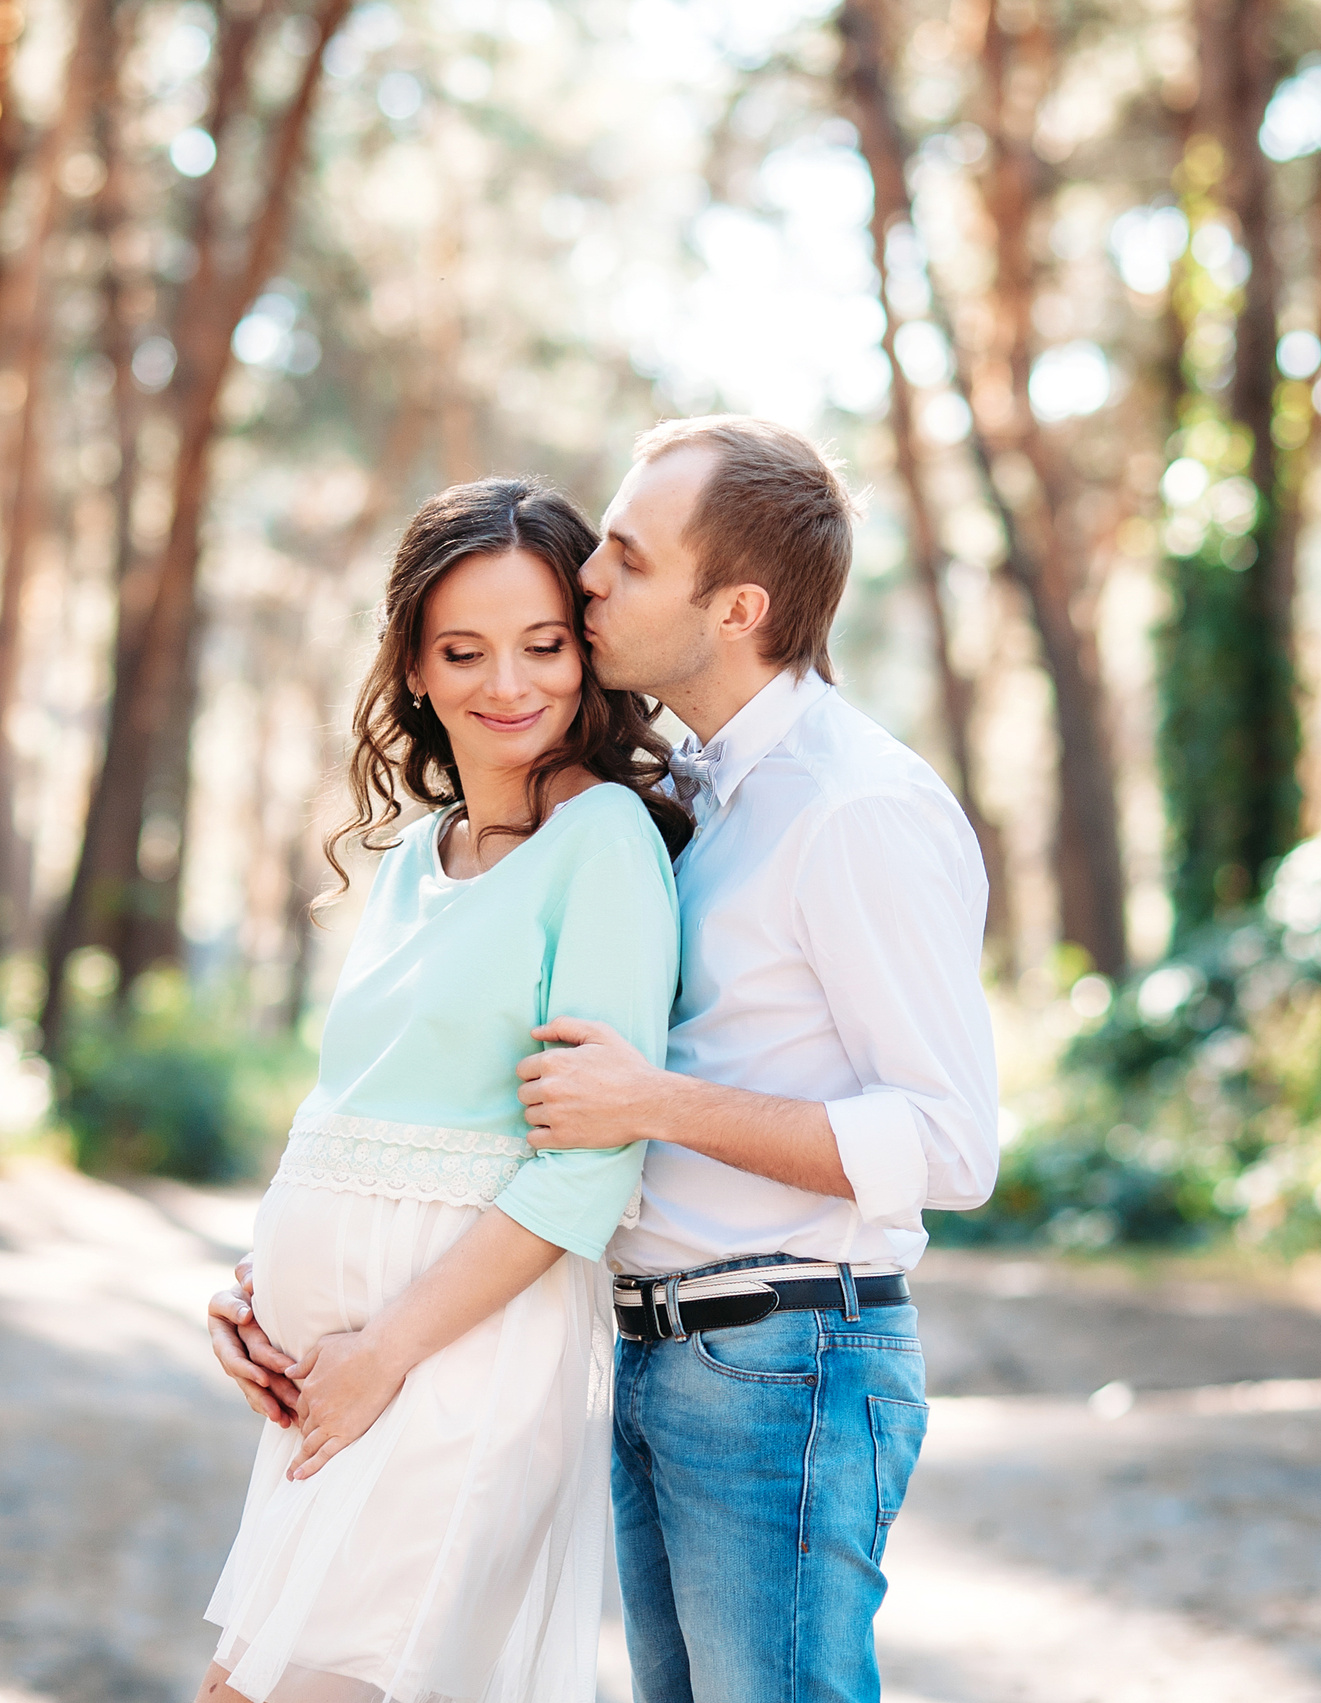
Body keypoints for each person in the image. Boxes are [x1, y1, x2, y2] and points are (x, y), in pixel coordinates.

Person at [513, 415, 999, 1698]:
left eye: (626, 554)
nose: (587, 578)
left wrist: (653, 1101)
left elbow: (950, 1144)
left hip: (785, 1362)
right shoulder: (708, 787)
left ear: (735, 607)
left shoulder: (857, 809)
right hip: (662, 1351)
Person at [193, 477, 691, 1703]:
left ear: (588, 655)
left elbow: (588, 1160)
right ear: (412, 665)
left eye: (544, 645)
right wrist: (254, 1293)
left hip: (454, 1357)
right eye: (463, 650)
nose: (508, 684)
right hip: (334, 1369)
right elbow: (361, 1109)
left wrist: (384, 1352)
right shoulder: (420, 856)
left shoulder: (608, 842)